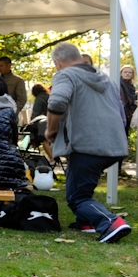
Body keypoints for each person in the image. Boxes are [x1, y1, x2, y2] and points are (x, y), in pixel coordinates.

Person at [46, 42, 131, 243]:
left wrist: (50, 129)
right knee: (84, 184)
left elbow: (57, 101)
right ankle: (86, 222)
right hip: (115, 143)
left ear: (58, 63)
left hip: (88, 144)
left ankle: (111, 223)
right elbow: (120, 111)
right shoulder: (104, 77)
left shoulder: (65, 75)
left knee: (77, 197)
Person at [28, 83, 53, 161]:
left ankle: (52, 159)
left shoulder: (39, 99)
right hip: (54, 122)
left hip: (43, 124)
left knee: (44, 141)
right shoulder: (51, 97)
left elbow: (35, 115)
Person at [120, 65, 136, 130]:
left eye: (130, 72)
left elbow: (132, 99)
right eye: (125, 72)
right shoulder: (118, 84)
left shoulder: (131, 86)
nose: (127, 74)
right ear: (121, 73)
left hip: (128, 112)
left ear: (132, 75)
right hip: (121, 111)